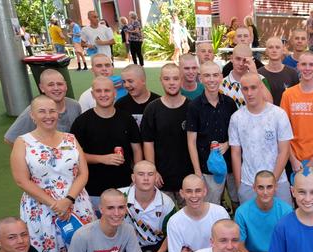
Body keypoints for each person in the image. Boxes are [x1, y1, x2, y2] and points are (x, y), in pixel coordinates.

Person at [10, 95, 96, 252]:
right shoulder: (23, 142)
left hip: (75, 204)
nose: (48, 116)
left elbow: (83, 173)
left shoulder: (70, 139)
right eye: (41, 111)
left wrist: (68, 200)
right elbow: (21, 180)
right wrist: (55, 204)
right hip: (43, 208)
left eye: (52, 111)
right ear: (32, 115)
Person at [71, 76, 143, 210]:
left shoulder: (127, 119)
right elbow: (74, 156)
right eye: (98, 91)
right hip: (93, 190)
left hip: (124, 188)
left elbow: (137, 150)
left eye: (107, 91)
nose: (103, 95)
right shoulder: (82, 122)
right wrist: (102, 159)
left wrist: (137, 176)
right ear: (93, 94)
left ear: (114, 93)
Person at [230, 73, 293, 204]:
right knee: (252, 223)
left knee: (282, 222)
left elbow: (284, 151)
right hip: (249, 183)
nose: (249, 93)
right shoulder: (236, 118)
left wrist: (271, 183)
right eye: (245, 89)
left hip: (278, 181)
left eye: (253, 88)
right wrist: (239, 184)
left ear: (261, 87)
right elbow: (235, 153)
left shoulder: (278, 114)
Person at [187, 61, 238, 204]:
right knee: (212, 203)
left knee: (237, 200)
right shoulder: (194, 106)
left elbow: (237, 133)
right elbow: (191, 141)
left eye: (215, 75)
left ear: (221, 77)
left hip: (231, 164)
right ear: (200, 78)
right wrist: (197, 172)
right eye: (207, 76)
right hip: (208, 168)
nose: (211, 80)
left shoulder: (229, 103)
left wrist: (227, 144)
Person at [141, 63, 193, 202]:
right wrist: (153, 171)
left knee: (189, 217)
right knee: (164, 220)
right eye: (167, 79)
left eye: (175, 78)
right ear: (161, 80)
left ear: (181, 80)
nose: (171, 83)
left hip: (187, 177)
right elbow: (148, 142)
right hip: (162, 178)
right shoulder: (152, 109)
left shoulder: (191, 107)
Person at [234, 171, 293, 252]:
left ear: (276, 187)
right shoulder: (242, 212)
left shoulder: (286, 210)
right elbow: (240, 246)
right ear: (254, 188)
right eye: (261, 187)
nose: (265, 192)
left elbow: (289, 243)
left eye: (269, 187)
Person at [166, 175, 230, 252]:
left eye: (198, 190)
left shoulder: (220, 213)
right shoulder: (174, 222)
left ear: (205, 191)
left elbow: (227, 248)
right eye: (189, 191)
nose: (194, 195)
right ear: (182, 193)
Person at [118, 161, 176, 252]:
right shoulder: (119, 196)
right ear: (133, 177)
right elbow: (106, 228)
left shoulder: (167, 203)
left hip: (155, 246)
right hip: (124, 247)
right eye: (141, 174)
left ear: (156, 177)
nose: (146, 178)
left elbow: (173, 233)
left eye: (150, 174)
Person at [4, 69, 82, 144]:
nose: (56, 88)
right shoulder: (33, 110)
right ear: (42, 88)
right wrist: (29, 154)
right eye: (50, 85)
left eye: (60, 84)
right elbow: (10, 139)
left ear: (66, 86)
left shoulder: (75, 105)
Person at [220, 44, 271, 109]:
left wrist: (255, 75)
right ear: (231, 58)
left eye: (245, 60)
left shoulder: (261, 79)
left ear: (252, 60)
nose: (241, 63)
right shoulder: (221, 84)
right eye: (238, 59)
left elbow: (270, 104)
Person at [258, 36, 299, 106]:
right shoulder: (259, 74)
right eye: (271, 47)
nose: (274, 50)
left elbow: (296, 98)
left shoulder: (292, 73)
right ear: (266, 51)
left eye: (277, 47)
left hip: (287, 115)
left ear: (283, 50)